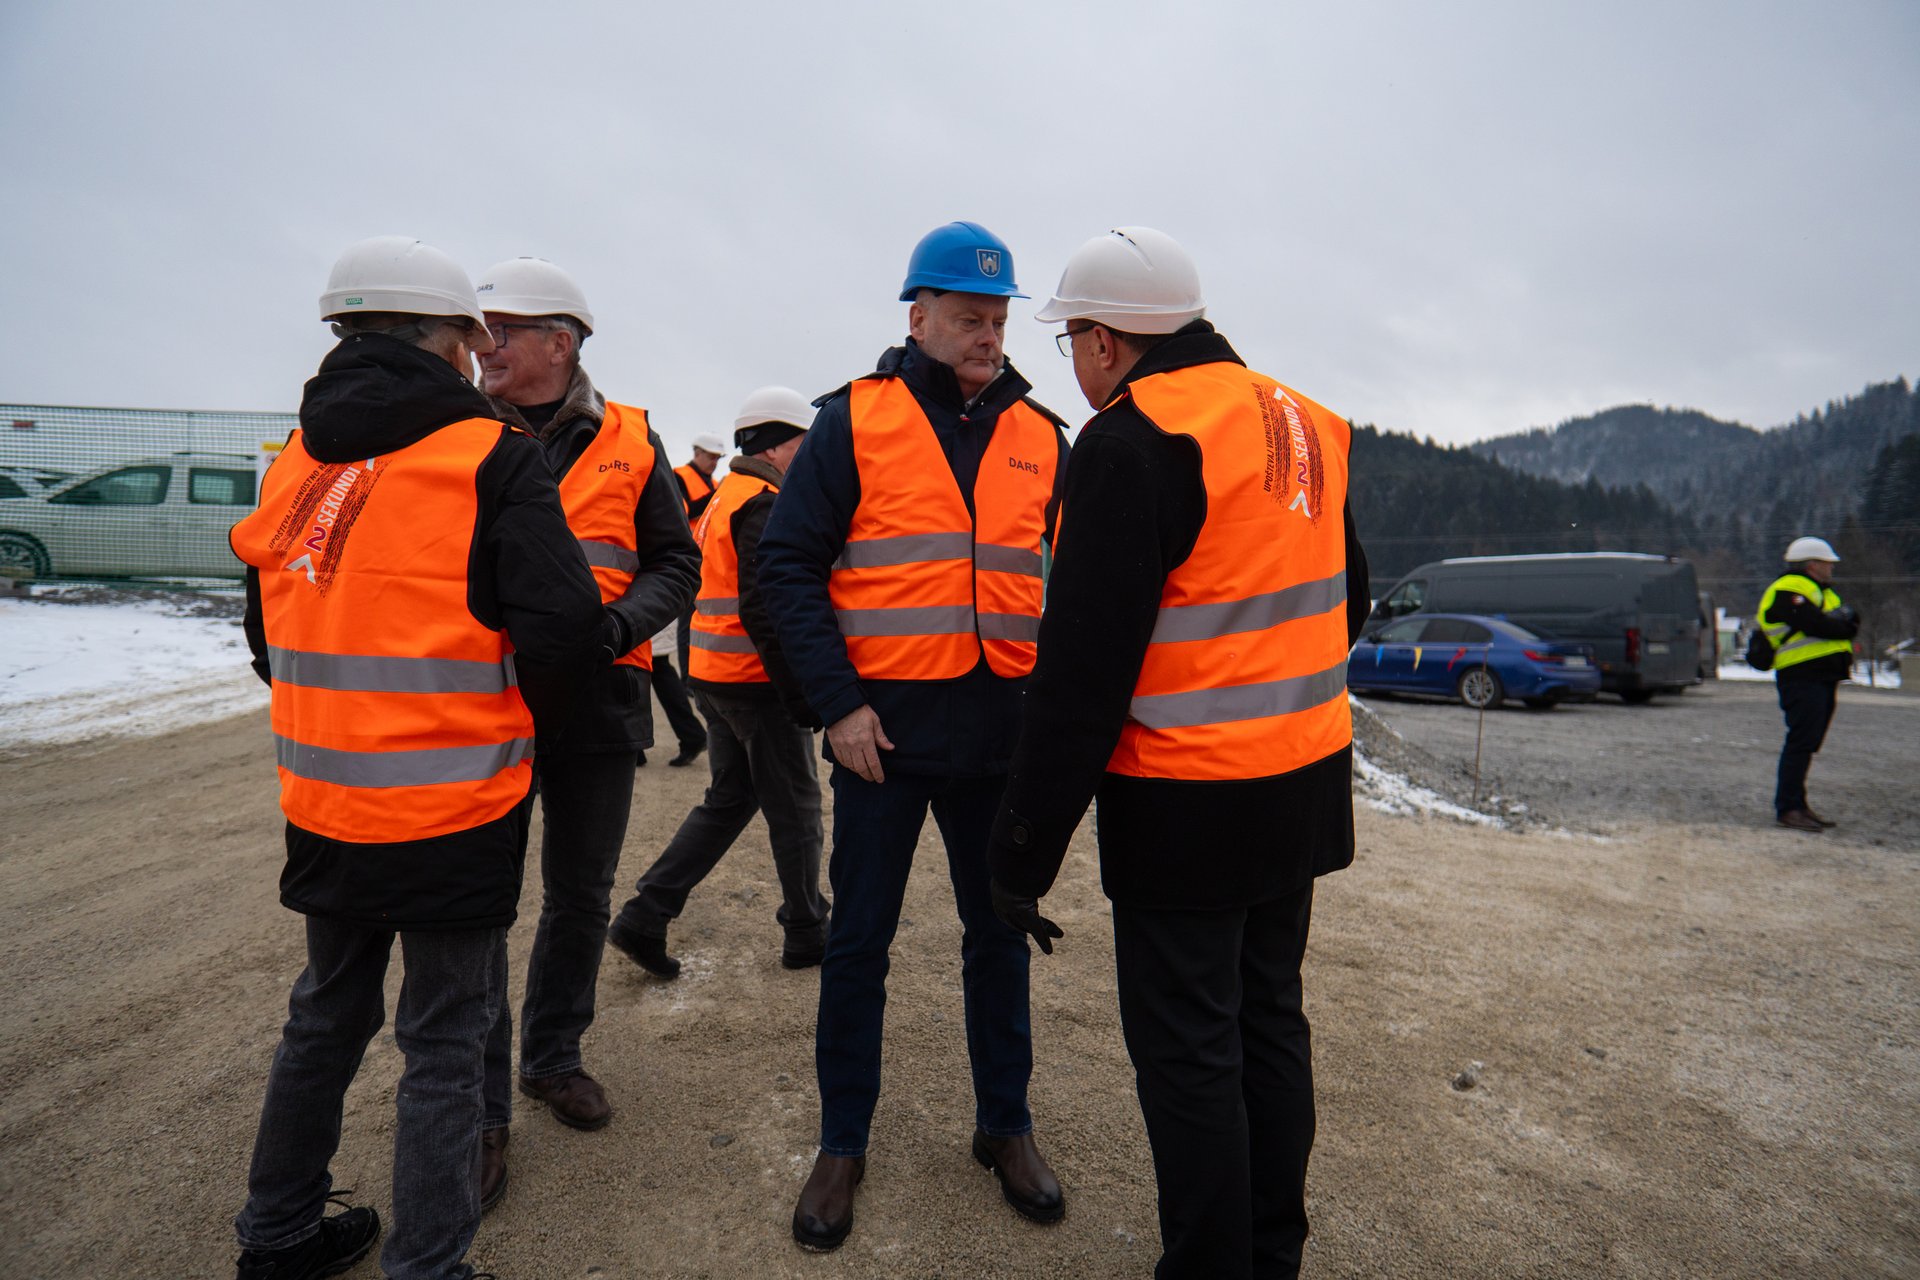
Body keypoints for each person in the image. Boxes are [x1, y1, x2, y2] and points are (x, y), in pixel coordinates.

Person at [986, 227, 1371, 1280]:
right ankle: (1271, 1255)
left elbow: (1081, 681)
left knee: (1191, 1053)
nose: (1073, 362)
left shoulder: (1130, 439)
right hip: (1301, 784)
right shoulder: (1305, 421)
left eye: (1071, 341)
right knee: (1270, 1022)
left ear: (1106, 342)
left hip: (1187, 805)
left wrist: (1020, 853)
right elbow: (1348, 600)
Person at [228, 236, 606, 1280]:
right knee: (443, 1044)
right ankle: (429, 1267)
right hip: (455, 802)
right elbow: (567, 632)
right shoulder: (489, 456)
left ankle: (277, 1237)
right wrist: (527, 724)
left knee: (324, 1016)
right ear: (449, 343)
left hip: (325, 801)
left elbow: (264, 629)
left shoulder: (299, 460)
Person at [758, 221, 1072, 1250]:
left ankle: (1005, 1125)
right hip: (880, 740)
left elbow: (1073, 587)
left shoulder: (1042, 435)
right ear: (919, 316)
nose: (988, 336)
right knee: (858, 943)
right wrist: (838, 705)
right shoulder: (854, 421)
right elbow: (787, 568)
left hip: (999, 740)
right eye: (969, 318)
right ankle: (842, 1142)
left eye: (999, 321)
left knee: (1000, 935)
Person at [473, 257, 700, 1198]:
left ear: (560, 344)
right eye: (478, 331)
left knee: (580, 894)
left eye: (502, 332)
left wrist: (613, 629)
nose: (483, 347)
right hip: (481, 698)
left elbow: (675, 564)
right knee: (479, 904)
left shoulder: (632, 440)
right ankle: (478, 1105)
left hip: (601, 699)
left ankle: (552, 1056)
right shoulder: (456, 433)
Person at [607, 386, 831, 977]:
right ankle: (807, 930)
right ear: (777, 446)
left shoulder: (723, 498)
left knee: (731, 799)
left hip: (715, 677)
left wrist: (693, 673)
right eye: (804, 444)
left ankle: (644, 915)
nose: (809, 456)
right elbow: (765, 608)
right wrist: (801, 693)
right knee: (797, 808)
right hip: (756, 684)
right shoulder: (764, 503)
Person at [1758, 536, 1859, 832]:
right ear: (1812, 565)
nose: (1832, 568)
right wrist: (1842, 625)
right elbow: (1821, 625)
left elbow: (1848, 622)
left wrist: (1843, 625)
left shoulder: (1821, 591)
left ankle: (1798, 805)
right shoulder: (1790, 588)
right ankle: (1788, 808)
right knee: (1801, 741)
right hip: (1801, 676)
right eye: (1828, 563)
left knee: (1808, 741)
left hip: (1821, 676)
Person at [662, 434, 727, 765]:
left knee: (701, 621)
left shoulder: (713, 482)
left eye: (717, 458)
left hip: (708, 562)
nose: (714, 462)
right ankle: (689, 678)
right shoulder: (679, 476)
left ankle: (697, 674)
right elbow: (682, 510)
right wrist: (717, 496)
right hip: (687, 561)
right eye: (710, 456)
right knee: (687, 624)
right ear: (697, 452)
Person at [638, 619, 707, 768]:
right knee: (658, 672)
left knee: (639, 673)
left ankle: (635, 746)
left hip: (641, 620)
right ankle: (692, 735)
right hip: (651, 619)